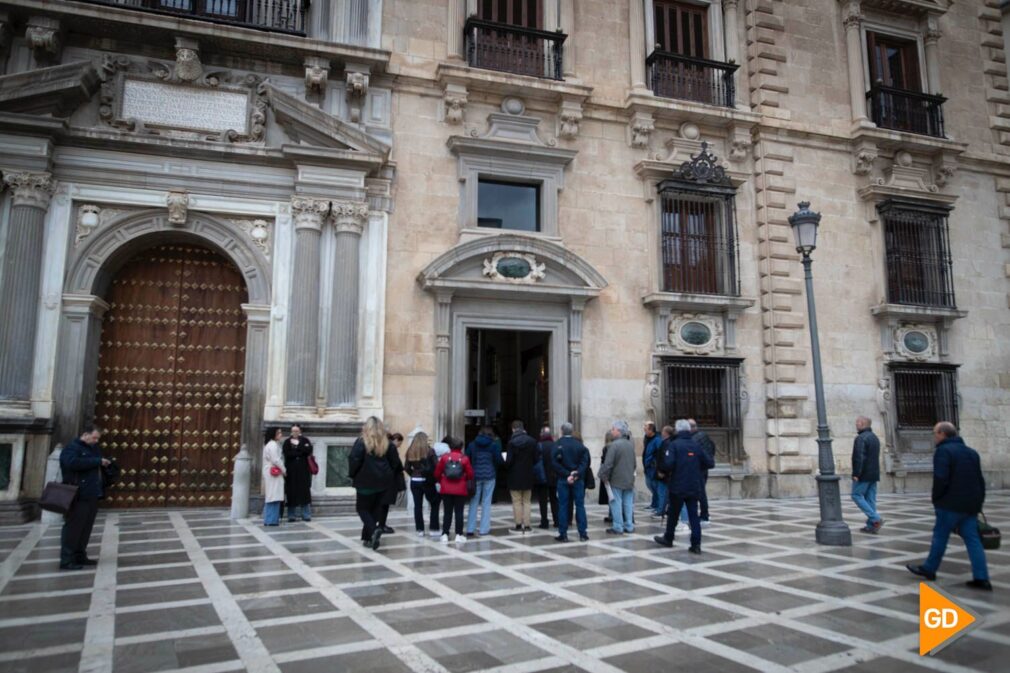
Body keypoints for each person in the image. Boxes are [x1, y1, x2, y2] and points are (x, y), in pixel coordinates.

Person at [907, 422, 991, 591]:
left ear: (943, 434)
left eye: (935, 433)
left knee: (940, 537)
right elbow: (980, 480)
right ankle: (982, 578)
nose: (934, 436)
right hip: (971, 504)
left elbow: (940, 478)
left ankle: (929, 569)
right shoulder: (971, 453)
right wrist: (979, 501)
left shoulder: (943, 452)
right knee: (973, 540)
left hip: (950, 504)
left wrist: (936, 498)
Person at [653, 419, 714, 554]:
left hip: (678, 485)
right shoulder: (695, 445)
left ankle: (669, 538)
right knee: (693, 515)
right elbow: (709, 462)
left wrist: (664, 470)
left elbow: (668, 464)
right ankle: (696, 544)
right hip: (694, 485)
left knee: (673, 514)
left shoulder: (674, 445)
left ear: (678, 430)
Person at [59, 425, 110, 570]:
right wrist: (96, 461)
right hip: (77, 494)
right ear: (85, 435)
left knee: (86, 527)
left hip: (91, 493)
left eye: (98, 438)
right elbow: (71, 463)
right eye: (94, 437)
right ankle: (67, 559)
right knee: (73, 527)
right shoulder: (72, 448)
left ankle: (80, 555)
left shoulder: (93, 448)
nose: (96, 440)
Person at [348, 417, 398, 550]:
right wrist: (388, 474)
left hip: (365, 480)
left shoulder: (361, 442)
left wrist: (353, 474)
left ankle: (374, 530)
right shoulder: (388, 444)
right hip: (383, 481)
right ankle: (367, 537)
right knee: (374, 509)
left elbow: (354, 460)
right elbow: (395, 463)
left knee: (362, 509)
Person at [552, 422, 590, 542]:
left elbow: (554, 463)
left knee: (563, 506)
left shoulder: (557, 444)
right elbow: (585, 463)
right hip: (578, 480)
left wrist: (567, 474)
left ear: (562, 431)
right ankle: (583, 533)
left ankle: (563, 534)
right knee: (580, 506)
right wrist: (576, 473)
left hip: (563, 479)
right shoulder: (580, 446)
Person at [434, 436, 474, 544]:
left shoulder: (444, 458)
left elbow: (437, 473)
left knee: (447, 512)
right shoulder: (464, 458)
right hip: (460, 489)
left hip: (446, 488)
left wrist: (441, 480)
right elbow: (470, 474)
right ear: (461, 447)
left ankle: (445, 534)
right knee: (459, 512)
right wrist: (465, 478)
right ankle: (458, 534)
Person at [599, 420, 636, 535]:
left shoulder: (614, 445)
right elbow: (634, 463)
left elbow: (608, 464)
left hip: (616, 479)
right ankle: (629, 525)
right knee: (628, 503)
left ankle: (618, 526)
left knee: (616, 503)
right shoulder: (630, 445)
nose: (612, 431)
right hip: (629, 479)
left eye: (613, 429)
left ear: (619, 431)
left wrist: (602, 475)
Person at [850, 416, 883, 534]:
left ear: (863, 423)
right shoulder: (874, 437)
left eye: (857, 422)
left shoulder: (861, 438)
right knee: (870, 499)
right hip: (873, 473)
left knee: (856, 495)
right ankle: (871, 525)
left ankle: (876, 519)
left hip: (863, 473)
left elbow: (860, 457)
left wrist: (856, 473)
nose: (856, 424)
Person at [466, 426, 500, 538]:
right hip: (489, 475)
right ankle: (484, 529)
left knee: (473, 502)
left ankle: (470, 528)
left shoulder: (472, 445)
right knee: (486, 502)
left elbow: (467, 459)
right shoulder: (493, 445)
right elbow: (498, 460)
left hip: (475, 476)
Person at [505, 420, 538, 533]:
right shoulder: (532, 441)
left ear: (513, 429)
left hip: (514, 476)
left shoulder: (511, 443)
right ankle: (527, 525)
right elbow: (536, 459)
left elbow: (509, 461)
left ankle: (518, 525)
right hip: (528, 474)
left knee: (517, 501)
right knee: (527, 501)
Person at [404, 432, 440, 537]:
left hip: (415, 480)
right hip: (427, 480)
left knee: (417, 506)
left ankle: (420, 529)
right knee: (434, 503)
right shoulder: (430, 451)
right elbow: (436, 466)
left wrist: (413, 475)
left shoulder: (410, 451)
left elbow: (406, 467)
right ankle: (433, 528)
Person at [282, 425, 313, 522]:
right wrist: (300, 451)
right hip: (291, 471)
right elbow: (288, 453)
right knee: (291, 492)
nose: (295, 432)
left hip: (303, 470)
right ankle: (291, 515)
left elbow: (308, 450)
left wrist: (297, 447)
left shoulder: (305, 440)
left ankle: (306, 514)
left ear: (300, 431)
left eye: (296, 430)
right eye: (293, 431)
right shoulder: (287, 442)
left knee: (304, 492)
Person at [688, 419, 716, 527]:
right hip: (704, 468)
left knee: (700, 494)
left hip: (698, 469)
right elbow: (712, 448)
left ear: (691, 428)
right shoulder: (704, 436)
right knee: (701, 492)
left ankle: (704, 515)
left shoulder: (695, 439)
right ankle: (704, 514)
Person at [378, 432, 405, 534]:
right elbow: (396, 464)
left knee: (381, 504)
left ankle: (380, 524)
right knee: (384, 504)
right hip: (388, 479)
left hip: (380, 478)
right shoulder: (390, 447)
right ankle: (381, 525)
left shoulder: (380, 446)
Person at [262, 428, 286, 527]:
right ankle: (271, 520)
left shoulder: (272, 444)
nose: (281, 434)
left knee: (272, 495)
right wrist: (284, 470)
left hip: (271, 472)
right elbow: (276, 460)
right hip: (274, 473)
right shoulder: (272, 445)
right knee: (274, 496)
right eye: (279, 433)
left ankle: (269, 519)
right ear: (274, 434)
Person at [536, 427, 559, 529]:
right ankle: (556, 520)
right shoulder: (555, 445)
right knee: (554, 499)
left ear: (542, 434)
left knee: (543, 501)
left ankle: (544, 522)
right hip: (553, 476)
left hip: (542, 477)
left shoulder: (539, 445)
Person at [650, 425, 672, 520]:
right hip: (665, 473)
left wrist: (661, 471)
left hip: (663, 474)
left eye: (663, 431)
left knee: (662, 493)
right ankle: (664, 510)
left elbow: (664, 459)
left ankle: (661, 512)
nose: (661, 433)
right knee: (663, 493)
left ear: (666, 433)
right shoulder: (666, 442)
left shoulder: (666, 443)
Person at [642, 422, 662, 514]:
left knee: (655, 486)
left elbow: (659, 453)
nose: (644, 430)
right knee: (650, 485)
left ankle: (658, 505)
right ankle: (654, 504)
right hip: (648, 467)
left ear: (651, 430)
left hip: (653, 467)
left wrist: (654, 463)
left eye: (646, 428)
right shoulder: (647, 439)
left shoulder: (657, 440)